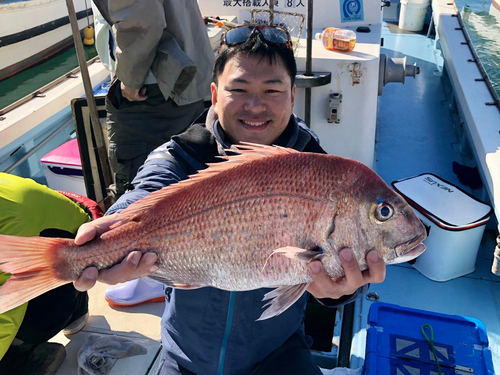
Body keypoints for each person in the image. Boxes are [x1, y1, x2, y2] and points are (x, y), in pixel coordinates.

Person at [73, 26, 386, 374]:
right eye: (238, 89)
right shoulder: (182, 155)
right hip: (185, 357)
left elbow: (332, 268)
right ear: (214, 94)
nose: (255, 105)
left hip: (278, 355)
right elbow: (146, 191)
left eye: (272, 89)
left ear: (293, 96)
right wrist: (108, 235)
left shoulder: (317, 170)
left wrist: (341, 290)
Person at [91, 0, 216, 307]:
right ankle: (169, 272)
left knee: (141, 177)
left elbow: (141, 19)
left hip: (153, 86)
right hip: (179, 77)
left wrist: (130, 80)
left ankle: (149, 279)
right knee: (187, 186)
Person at [0, 173, 101, 375]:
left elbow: (8, 305)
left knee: (27, 328)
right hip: (45, 240)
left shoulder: (14, 217)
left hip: (67, 261)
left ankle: (26, 353)